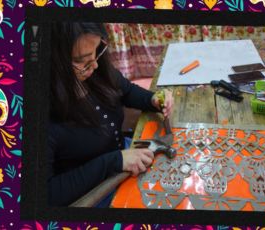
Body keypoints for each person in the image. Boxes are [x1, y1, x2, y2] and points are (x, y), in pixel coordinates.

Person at [48, 22, 173, 206]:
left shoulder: (97, 71)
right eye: (81, 60)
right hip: (92, 192)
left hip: (123, 157)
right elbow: (47, 193)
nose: (95, 65)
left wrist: (152, 99)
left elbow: (127, 91)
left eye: (97, 50)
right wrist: (115, 161)